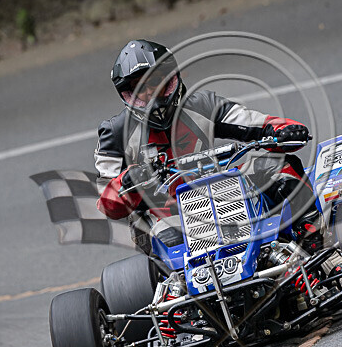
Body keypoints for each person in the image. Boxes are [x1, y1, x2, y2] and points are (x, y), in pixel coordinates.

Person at [93, 39, 321, 251]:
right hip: (163, 214)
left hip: (221, 193)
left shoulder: (203, 105)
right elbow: (106, 201)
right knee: (169, 239)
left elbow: (258, 124)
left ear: (170, 79)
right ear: (129, 93)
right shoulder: (115, 132)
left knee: (279, 166)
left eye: (154, 81)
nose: (150, 92)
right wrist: (126, 181)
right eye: (140, 86)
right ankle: (180, 286)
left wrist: (284, 131)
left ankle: (317, 246)